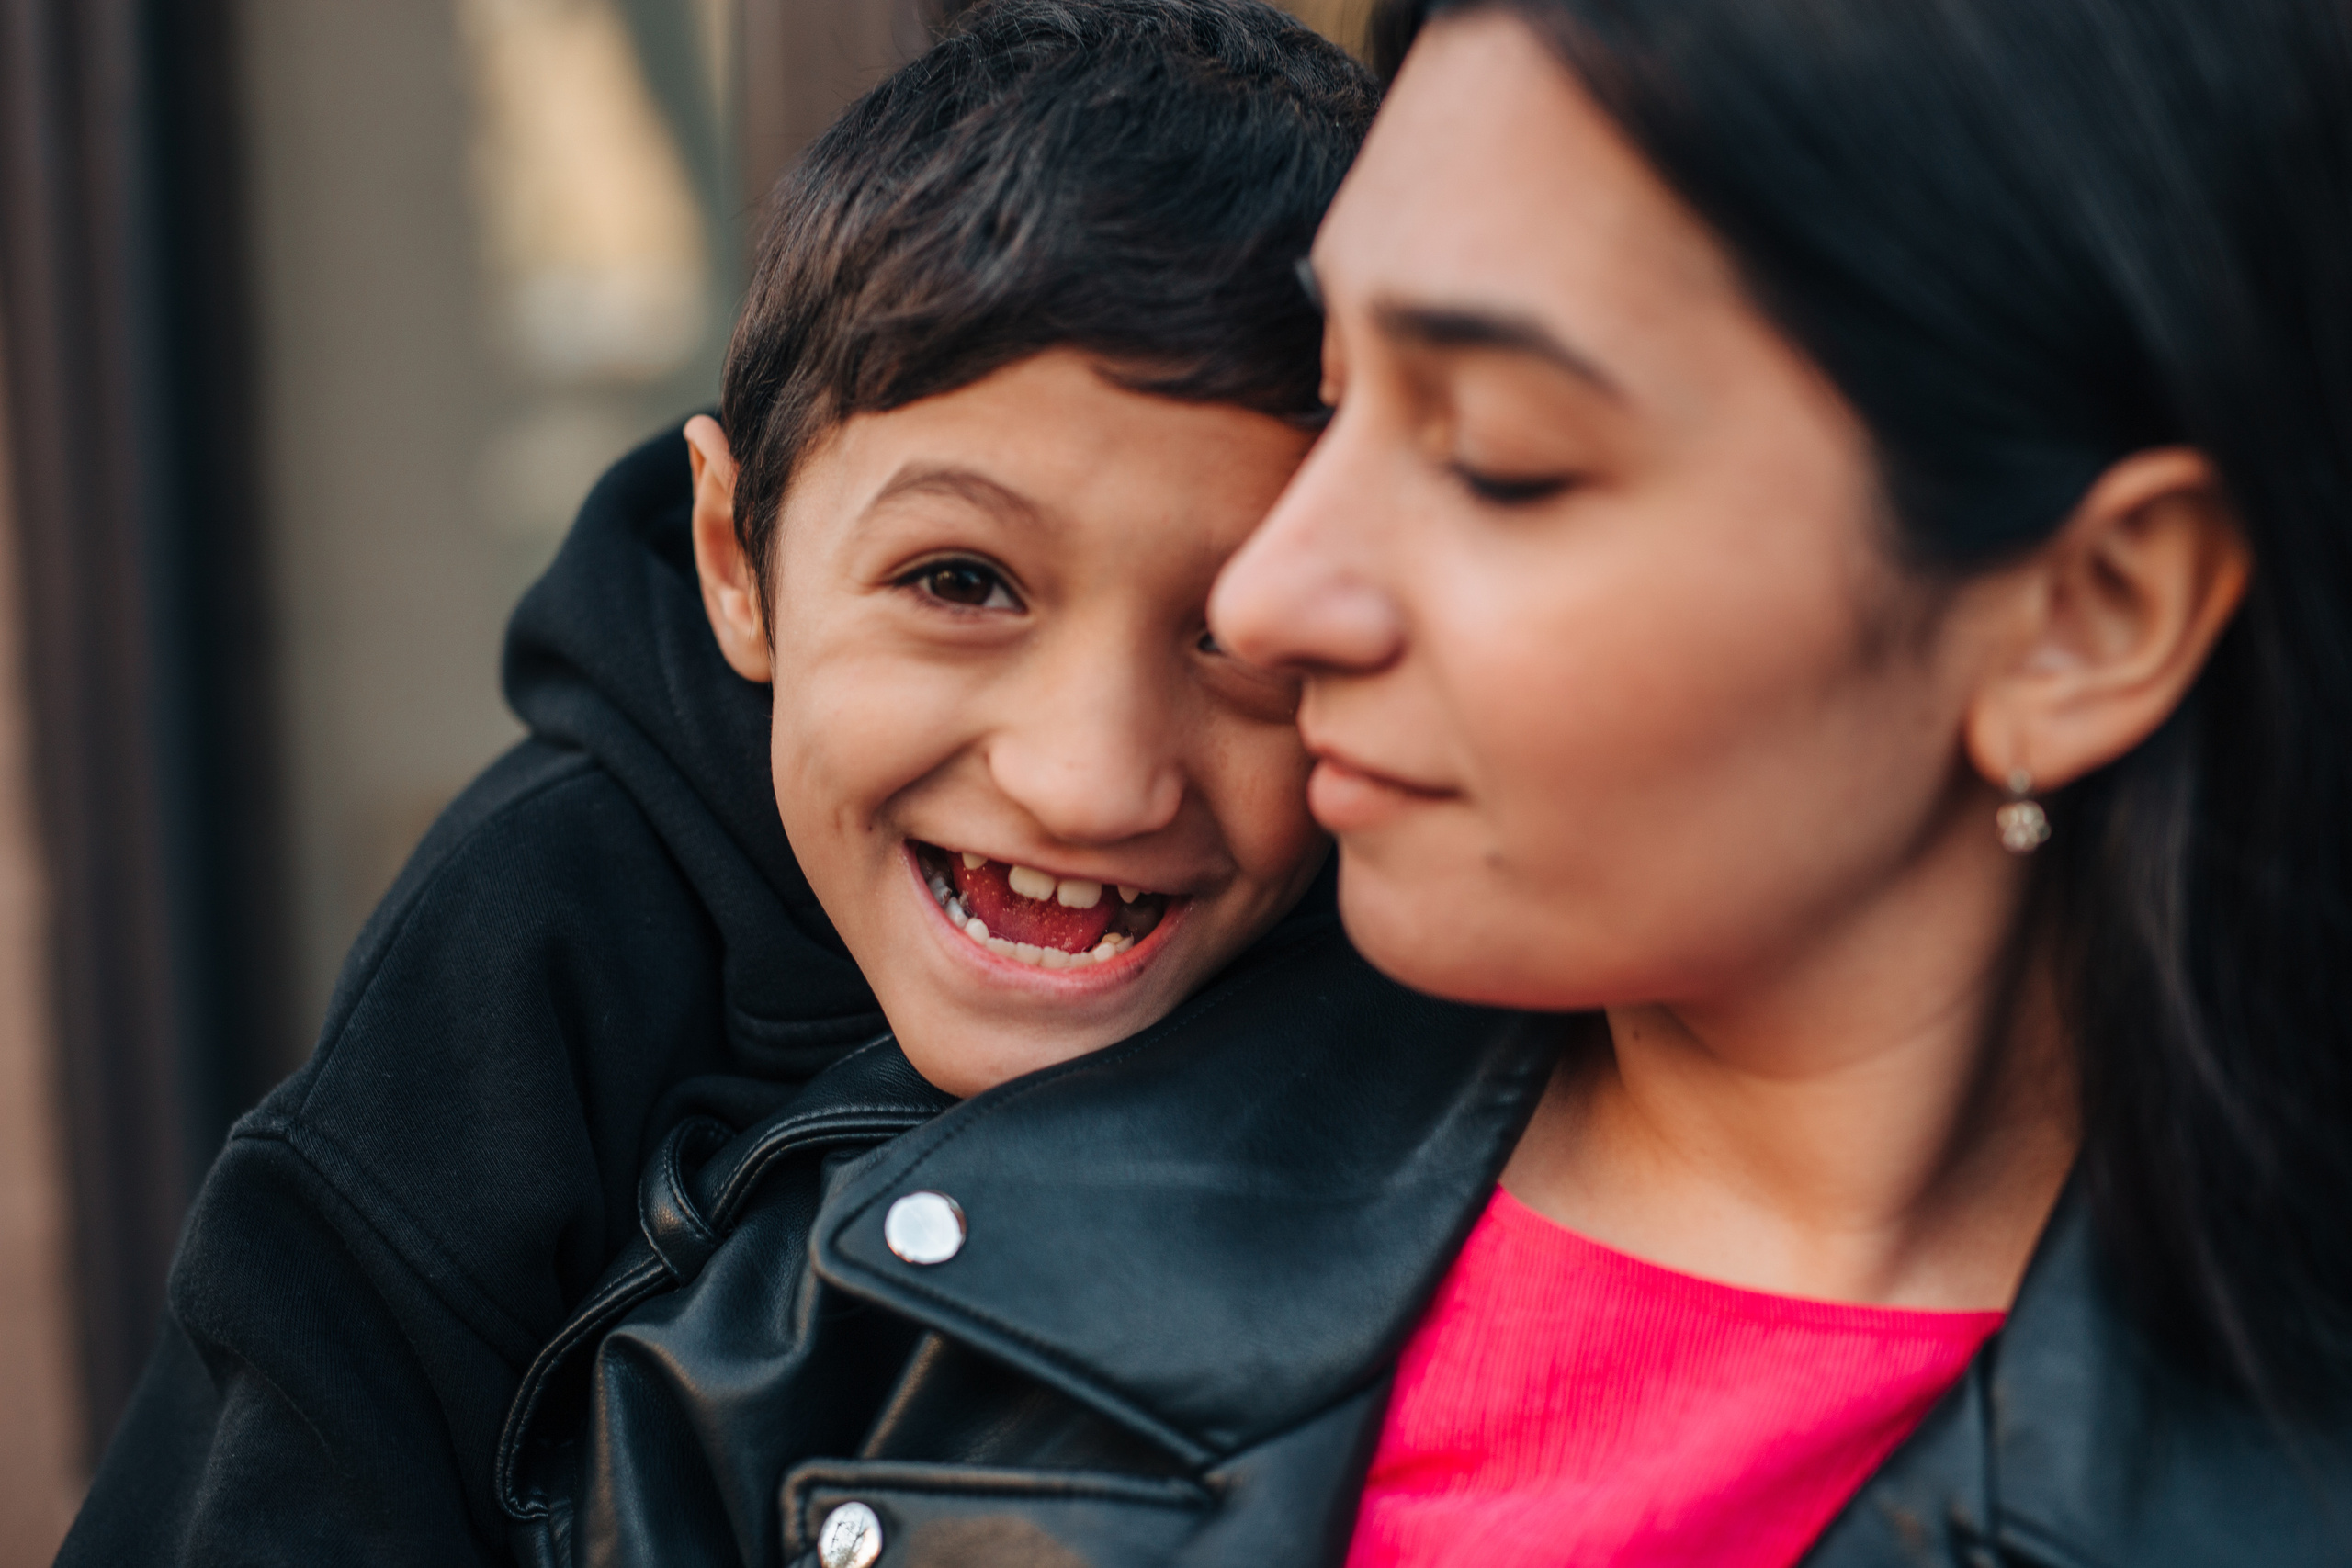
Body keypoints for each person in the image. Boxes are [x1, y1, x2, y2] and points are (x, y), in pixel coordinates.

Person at [59, 5, 1544, 1564]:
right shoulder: (532, 947)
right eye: (960, 581)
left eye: (1240, 634)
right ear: (736, 561)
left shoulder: (1428, 981)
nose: (1091, 781)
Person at [1204, 0, 2352, 1562]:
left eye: (1498, 459)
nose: (1264, 597)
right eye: (1329, 400)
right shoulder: (936, 1269)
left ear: (2086, 619)